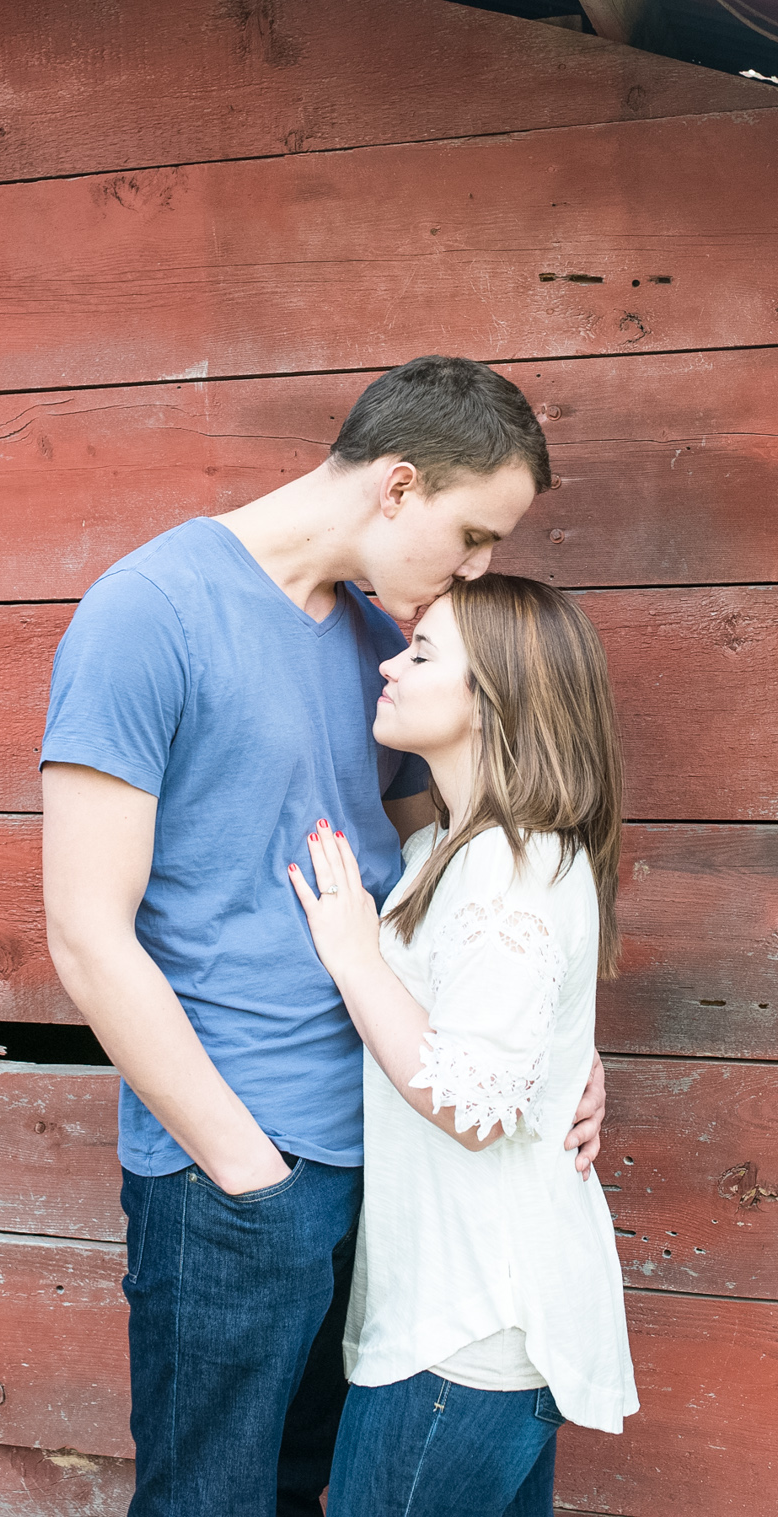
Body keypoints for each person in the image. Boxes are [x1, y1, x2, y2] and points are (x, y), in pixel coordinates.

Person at [39, 356, 607, 1515]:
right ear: (397, 486)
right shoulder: (149, 611)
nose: (477, 569)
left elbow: (452, 871)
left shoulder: (380, 648)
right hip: (238, 1172)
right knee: (211, 1499)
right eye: (471, 535)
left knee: (314, 1491)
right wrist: (244, 1171)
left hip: (393, 1162)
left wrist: (544, 1047)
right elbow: (83, 933)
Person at [289, 576, 636, 1515]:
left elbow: (474, 1106)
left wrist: (356, 957)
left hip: (467, 1334)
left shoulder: (504, 866)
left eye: (424, 652)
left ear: (494, 700)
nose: (391, 664)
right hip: (477, 1329)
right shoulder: (459, 847)